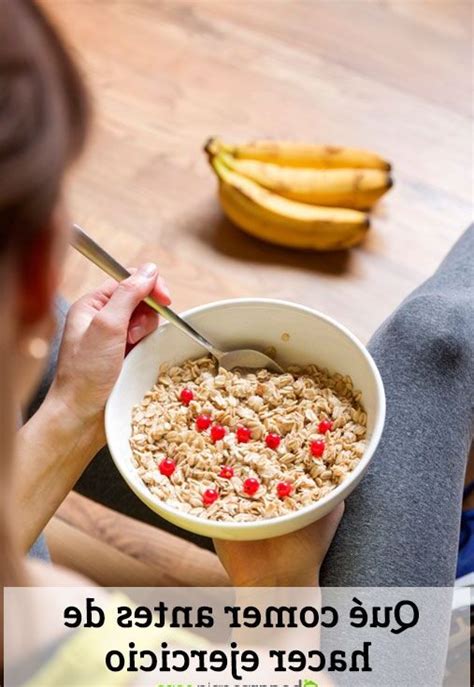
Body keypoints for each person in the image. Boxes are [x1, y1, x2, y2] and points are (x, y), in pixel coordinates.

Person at [1, 0, 473, 673]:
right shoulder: (81, 647)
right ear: (45, 253)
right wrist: (281, 586)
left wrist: (74, 413)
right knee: (437, 336)